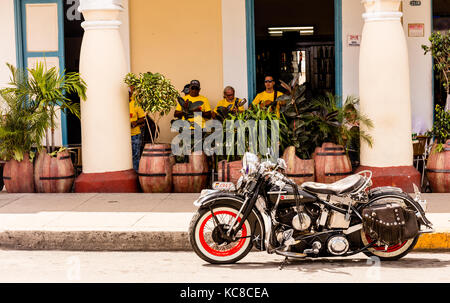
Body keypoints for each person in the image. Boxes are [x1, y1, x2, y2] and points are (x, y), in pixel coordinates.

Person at [129, 86, 146, 172]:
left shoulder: (135, 104)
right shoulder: (118, 105)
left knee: (135, 155)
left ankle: (136, 174)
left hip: (134, 135)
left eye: (128, 94)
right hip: (121, 136)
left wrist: (135, 122)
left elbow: (143, 118)